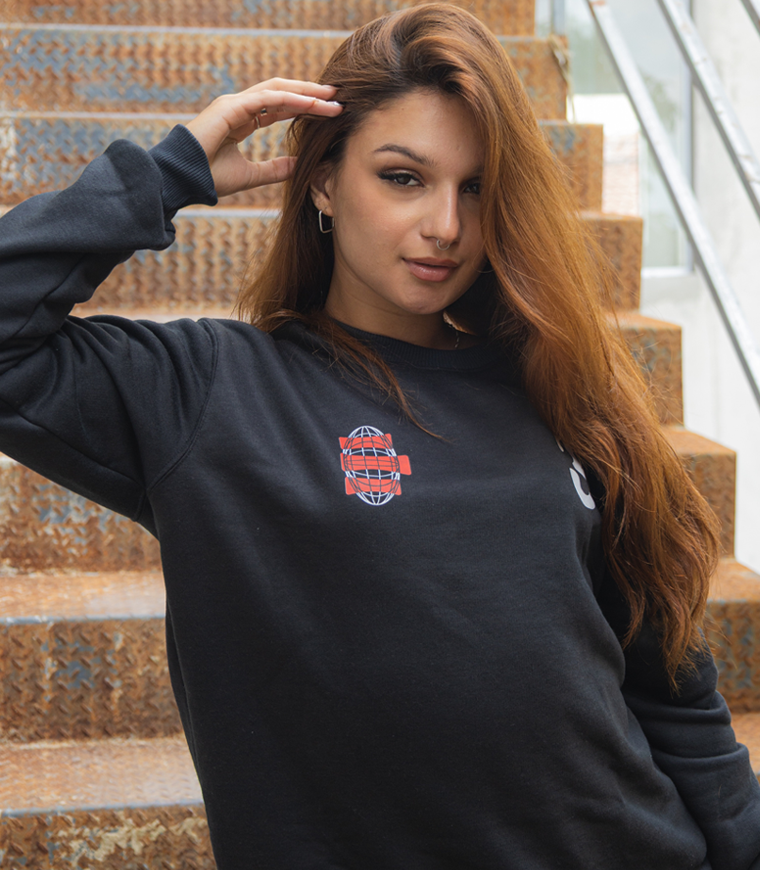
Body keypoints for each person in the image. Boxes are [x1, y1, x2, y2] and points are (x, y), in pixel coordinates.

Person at [0, 3, 759, 868]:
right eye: (403, 177)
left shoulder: (561, 387)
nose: (446, 226)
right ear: (323, 181)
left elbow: (669, 677)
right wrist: (166, 173)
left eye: (476, 188)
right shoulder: (210, 393)